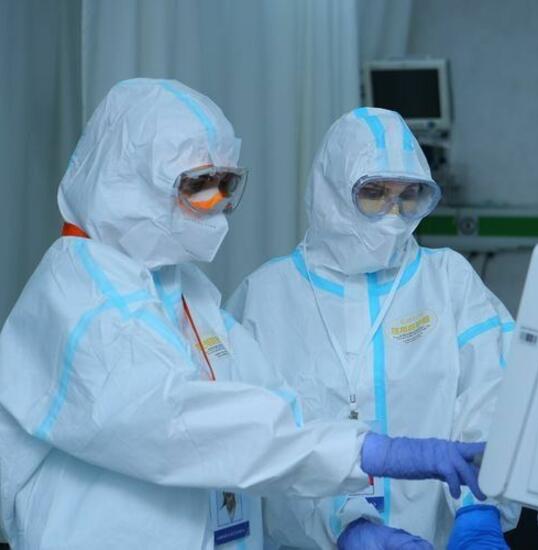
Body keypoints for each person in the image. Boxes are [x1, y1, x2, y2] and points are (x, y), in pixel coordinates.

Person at [0, 81, 485, 550]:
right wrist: (368, 451)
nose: (217, 205)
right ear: (127, 181)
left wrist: (343, 522)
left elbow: (277, 404)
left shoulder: (182, 289)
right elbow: (179, 422)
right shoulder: (78, 294)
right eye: (198, 185)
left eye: (225, 184)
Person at [227, 107, 519, 549]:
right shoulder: (266, 297)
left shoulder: (447, 281)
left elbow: (496, 393)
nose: (393, 214)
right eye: (374, 193)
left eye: (408, 196)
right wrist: (340, 526)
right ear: (331, 190)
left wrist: (480, 507)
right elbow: (249, 442)